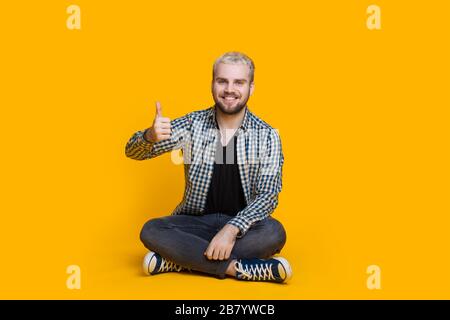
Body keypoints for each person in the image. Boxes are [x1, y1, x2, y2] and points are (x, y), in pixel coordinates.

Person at [125, 52, 292, 283]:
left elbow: (268, 196)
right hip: (196, 223)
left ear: (251, 88)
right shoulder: (192, 124)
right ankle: (238, 269)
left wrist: (232, 229)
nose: (229, 89)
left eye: (239, 82)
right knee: (152, 230)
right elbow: (132, 152)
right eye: (222, 81)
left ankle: (180, 260)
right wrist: (150, 137)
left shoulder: (267, 136)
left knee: (274, 233)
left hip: (243, 228)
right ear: (212, 84)